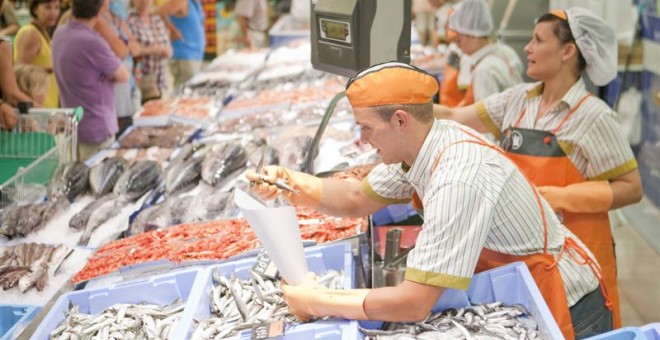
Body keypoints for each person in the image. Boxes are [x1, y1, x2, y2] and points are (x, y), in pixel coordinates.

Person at [247, 62, 613, 339]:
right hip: (512, 284)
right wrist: (290, 184)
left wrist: (314, 300)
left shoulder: (457, 174)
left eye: (366, 127)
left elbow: (413, 302)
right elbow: (357, 197)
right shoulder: (423, 147)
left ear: (401, 120)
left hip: (565, 303)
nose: (361, 140)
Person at [434, 8, 644, 329]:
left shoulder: (594, 117)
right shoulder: (517, 100)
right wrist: (403, 103)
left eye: (538, 40)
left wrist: (556, 197)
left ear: (567, 51)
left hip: (576, 260)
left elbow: (631, 188)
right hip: (522, 252)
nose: (527, 48)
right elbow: (454, 117)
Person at [52, 0, 129, 160]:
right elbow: (123, 75)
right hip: (96, 127)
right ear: (100, 9)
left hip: (73, 126)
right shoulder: (92, 41)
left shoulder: (60, 33)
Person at [439, 0, 522, 108]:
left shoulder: (484, 70)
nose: (455, 42)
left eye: (459, 37)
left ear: (474, 34)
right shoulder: (506, 51)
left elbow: (485, 119)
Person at [95, 0, 139, 136]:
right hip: (110, 95)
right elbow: (121, 51)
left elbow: (136, 48)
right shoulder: (96, 19)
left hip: (126, 88)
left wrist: (123, 45)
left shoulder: (115, 16)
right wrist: (125, 45)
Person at [13, 0, 60, 108]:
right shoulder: (31, 34)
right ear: (35, 9)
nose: (53, 12)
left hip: (47, 100)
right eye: (48, 7)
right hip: (37, 105)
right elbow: (20, 71)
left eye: (56, 7)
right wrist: (51, 69)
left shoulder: (42, 32)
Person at [128, 0, 171, 103]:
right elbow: (131, 49)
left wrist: (167, 51)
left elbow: (167, 45)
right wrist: (150, 50)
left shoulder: (156, 19)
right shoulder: (129, 20)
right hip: (142, 82)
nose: (144, 1)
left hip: (160, 81)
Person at [156, 0, 204, 87]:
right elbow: (157, 12)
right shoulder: (181, 1)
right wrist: (172, 29)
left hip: (193, 56)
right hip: (184, 56)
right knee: (185, 92)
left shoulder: (195, 3)